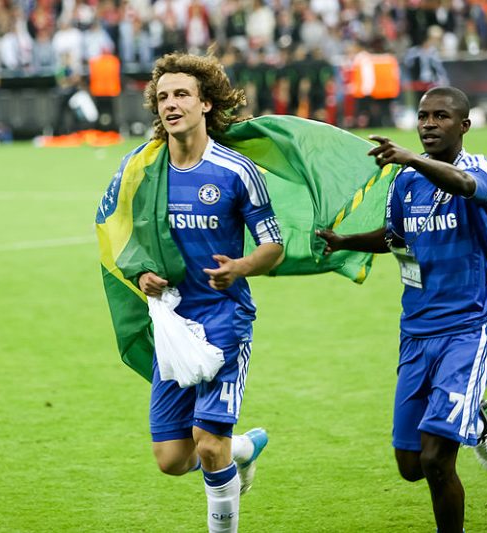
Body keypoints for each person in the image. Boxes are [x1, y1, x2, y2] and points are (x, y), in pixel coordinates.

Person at [317, 86, 487, 533]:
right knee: (410, 464)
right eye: (423, 116)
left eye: (441, 116)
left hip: (465, 329)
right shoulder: (405, 182)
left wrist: (410, 158)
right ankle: (474, 419)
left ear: (464, 125)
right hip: (416, 333)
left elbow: (463, 186)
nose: (428, 124)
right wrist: (344, 242)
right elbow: (395, 237)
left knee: (438, 459)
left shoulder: (477, 169)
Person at [126, 52, 284, 532]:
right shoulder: (143, 171)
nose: (170, 104)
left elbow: (274, 245)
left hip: (223, 319)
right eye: (164, 96)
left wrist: (240, 267)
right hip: (174, 323)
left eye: (182, 95)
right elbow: (130, 242)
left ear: (206, 104)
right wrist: (142, 277)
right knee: (172, 458)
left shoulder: (235, 172)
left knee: (208, 443)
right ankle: (243, 447)